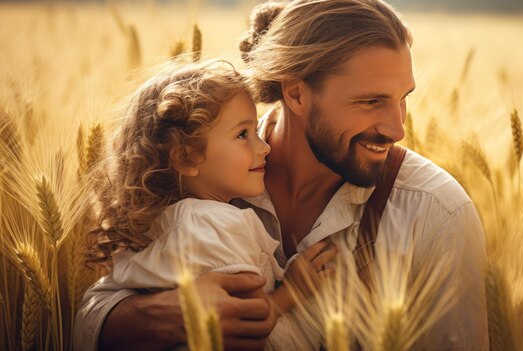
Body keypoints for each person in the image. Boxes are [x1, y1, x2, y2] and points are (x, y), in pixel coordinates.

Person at [74, 0, 488, 350]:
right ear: (296, 93)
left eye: (402, 100)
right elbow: (89, 317)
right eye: (370, 101)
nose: (397, 129)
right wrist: (159, 316)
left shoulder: (437, 213)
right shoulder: (201, 160)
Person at [78, 60, 336, 350]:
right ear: (186, 157)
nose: (264, 147)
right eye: (242, 135)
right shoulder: (215, 225)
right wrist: (293, 290)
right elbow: (245, 325)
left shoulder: (156, 224)